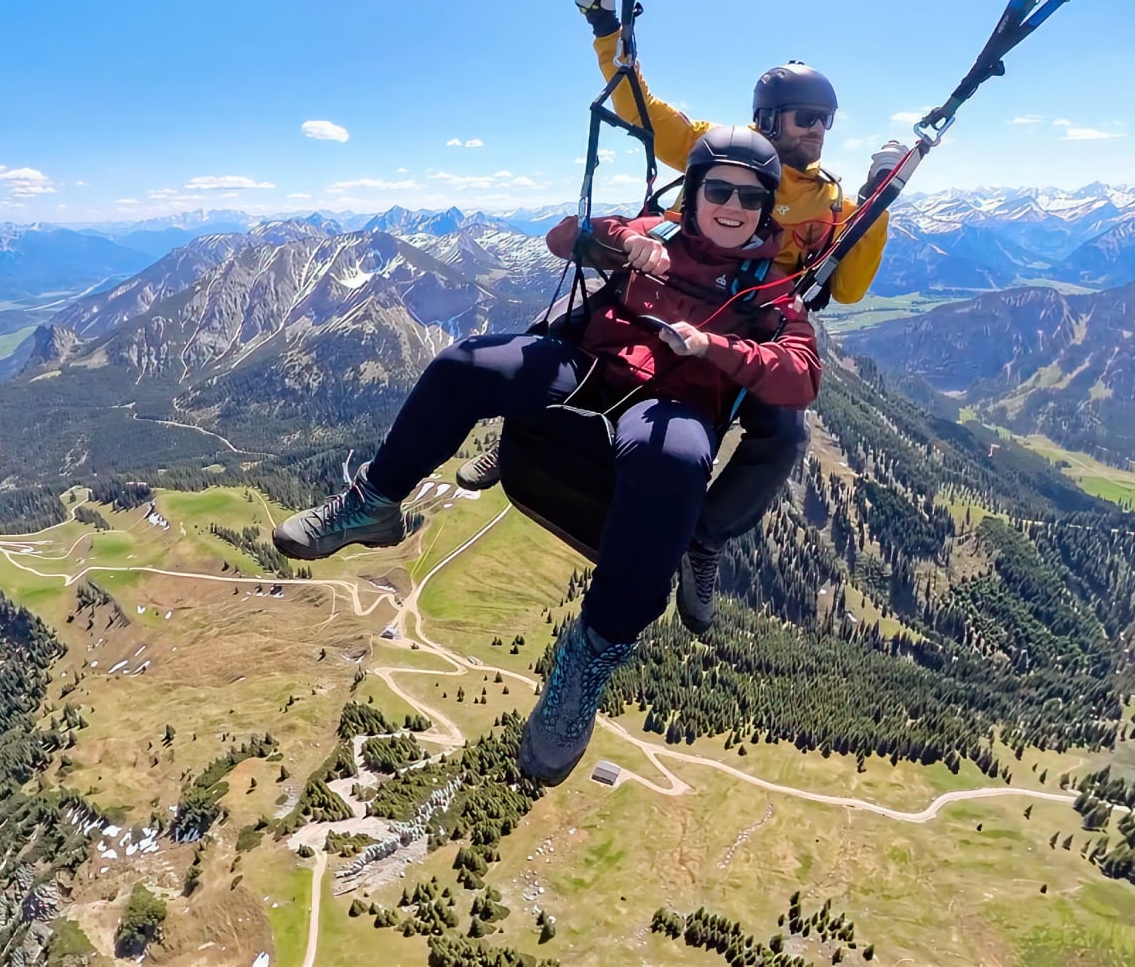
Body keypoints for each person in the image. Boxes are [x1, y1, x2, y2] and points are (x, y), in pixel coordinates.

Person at [272, 128, 821, 784]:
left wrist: (717, 351)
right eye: (720, 189)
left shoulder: (771, 291)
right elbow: (564, 237)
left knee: (670, 462)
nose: (734, 207)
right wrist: (624, 240)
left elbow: (799, 378)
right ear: (695, 193)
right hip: (593, 366)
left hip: (674, 401)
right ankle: (373, 504)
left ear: (765, 210)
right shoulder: (655, 233)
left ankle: (590, 656)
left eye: (751, 198)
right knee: (461, 365)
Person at [458, 0, 904, 637]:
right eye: (806, 118)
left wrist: (878, 204)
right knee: (564, 324)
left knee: (783, 432)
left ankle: (705, 535)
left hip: (749, 323)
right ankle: (514, 433)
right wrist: (607, 33)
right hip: (666, 286)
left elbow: (847, 288)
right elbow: (643, 109)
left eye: (824, 121)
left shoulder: (830, 203)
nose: (818, 131)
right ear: (768, 120)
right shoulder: (714, 147)